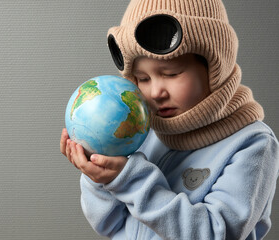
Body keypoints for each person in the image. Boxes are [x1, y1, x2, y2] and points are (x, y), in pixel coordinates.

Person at [60, 0, 279, 239]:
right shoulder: (140, 131)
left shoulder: (252, 144)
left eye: (171, 74)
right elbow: (110, 226)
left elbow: (217, 233)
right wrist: (100, 179)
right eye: (143, 78)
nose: (155, 93)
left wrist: (129, 181)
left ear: (215, 67)